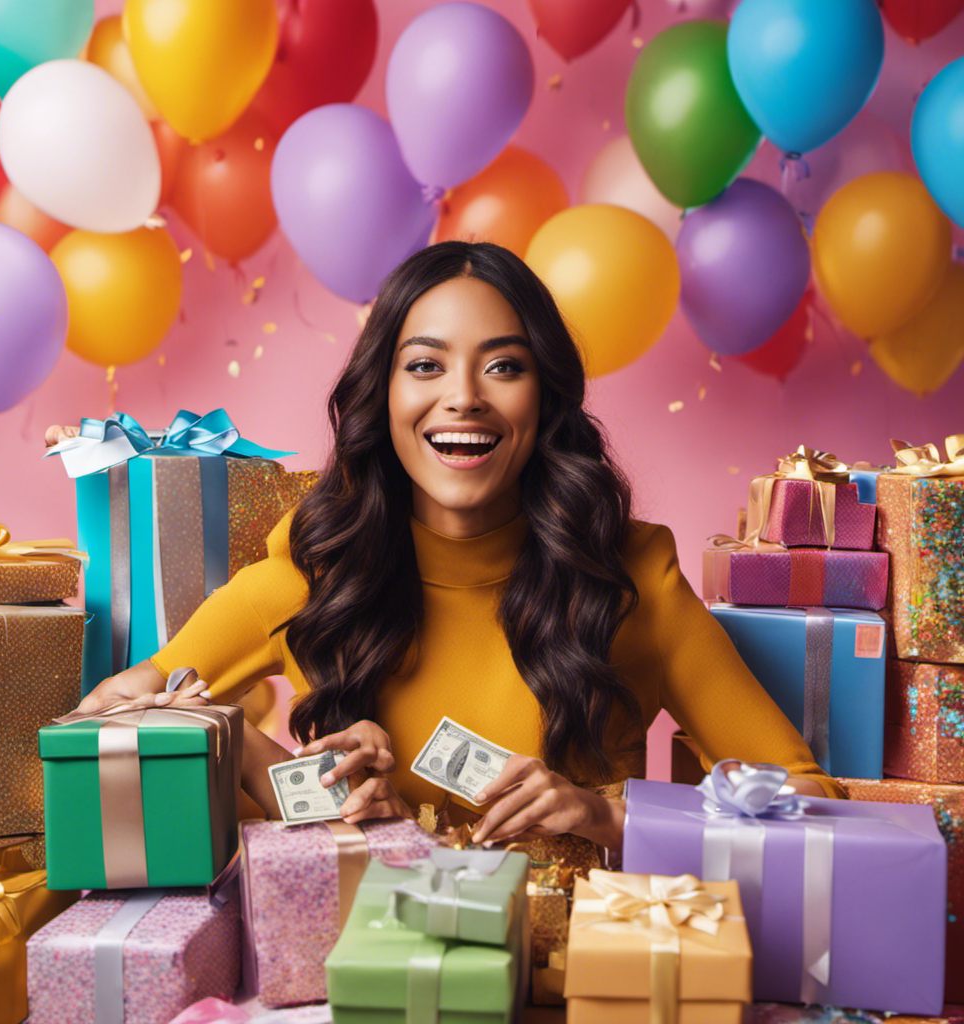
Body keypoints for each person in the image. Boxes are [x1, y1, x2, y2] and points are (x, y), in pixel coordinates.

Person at [47, 241, 843, 854]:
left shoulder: (630, 577)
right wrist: (278, 768)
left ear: (546, 397)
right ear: (382, 395)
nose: (462, 395)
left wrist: (606, 816)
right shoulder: (315, 569)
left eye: (503, 366)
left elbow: (813, 804)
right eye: (425, 365)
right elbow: (111, 722)